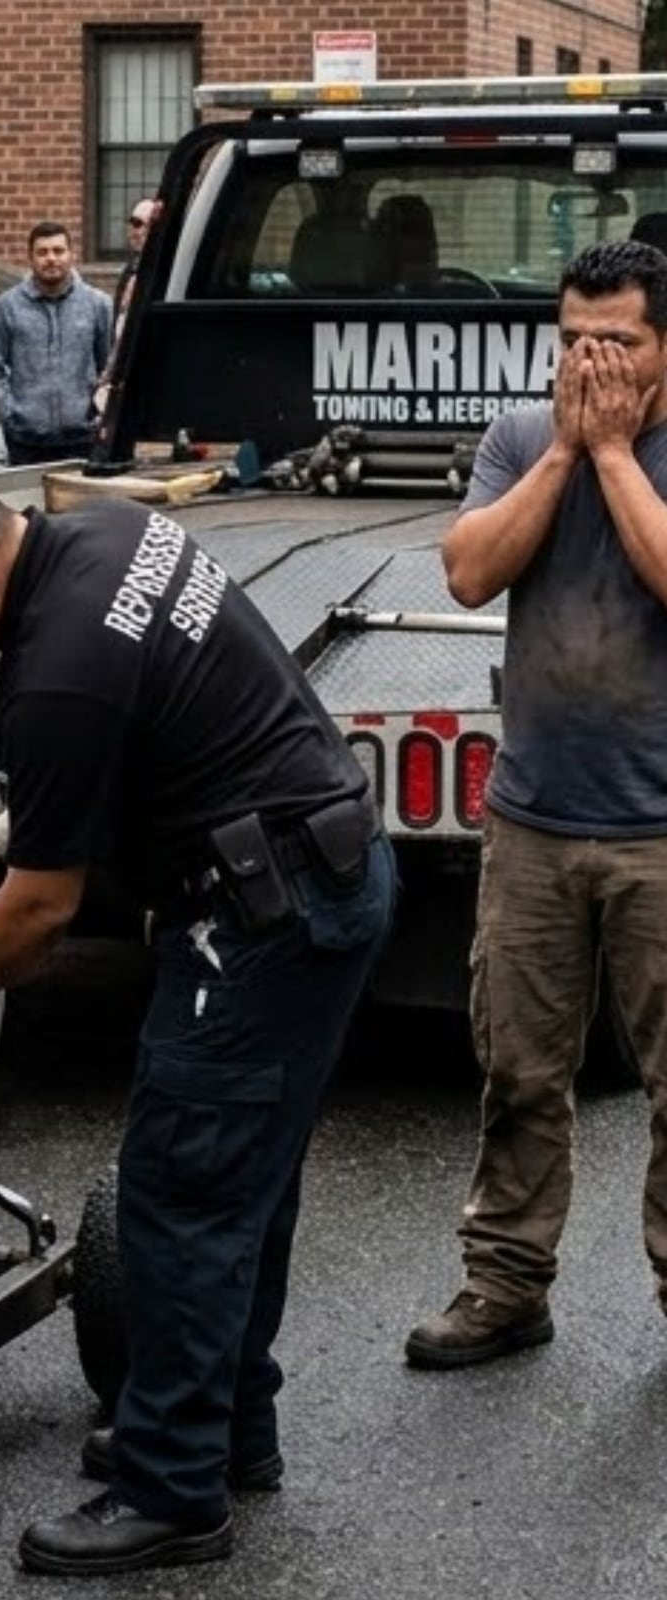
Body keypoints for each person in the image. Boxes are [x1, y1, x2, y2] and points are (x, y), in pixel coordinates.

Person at [0, 460, 396, 1576]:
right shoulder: (98, 537)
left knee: (179, 1192)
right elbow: (152, 706)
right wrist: (39, 810)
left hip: (261, 913)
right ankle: (224, 1429)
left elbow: (43, 909)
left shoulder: (54, 673)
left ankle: (170, 1492)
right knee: (241, 1179)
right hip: (320, 873)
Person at [405, 238, 667, 1369]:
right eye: (572, 343)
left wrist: (614, 455)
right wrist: (565, 449)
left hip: (662, 830)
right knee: (518, 1071)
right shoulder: (522, 437)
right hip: (537, 820)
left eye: (619, 341)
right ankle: (506, 1285)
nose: (591, 361)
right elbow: (467, 571)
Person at [0, 221, 114, 466]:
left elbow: (108, 369)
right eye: (42, 252)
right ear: (30, 258)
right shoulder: (7, 307)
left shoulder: (98, 305)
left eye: (58, 251)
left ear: (71, 254)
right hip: (26, 442)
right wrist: (9, 415)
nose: (51, 259)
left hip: (84, 439)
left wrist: (101, 416)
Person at [95, 198, 161, 422]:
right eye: (135, 222)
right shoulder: (131, 269)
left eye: (148, 224)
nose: (139, 230)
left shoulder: (165, 271)